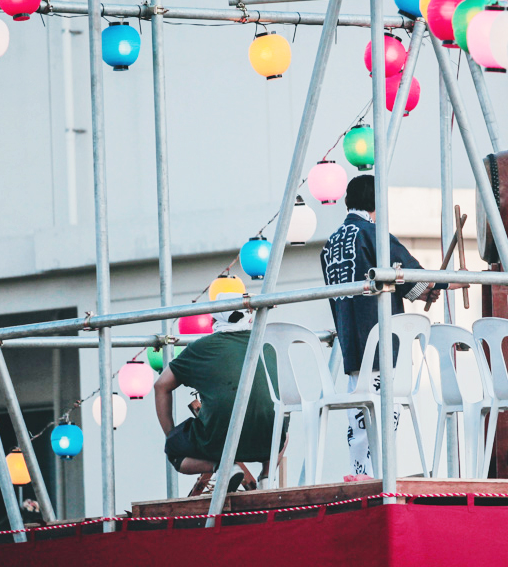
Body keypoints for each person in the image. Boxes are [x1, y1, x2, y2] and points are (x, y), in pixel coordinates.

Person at [320, 174, 466, 477]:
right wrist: (457, 278)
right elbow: (412, 275)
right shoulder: (372, 234)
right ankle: (377, 478)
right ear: (378, 203)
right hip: (382, 347)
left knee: (359, 422)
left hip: (352, 348)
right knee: (386, 419)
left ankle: (361, 474)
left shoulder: (330, 245)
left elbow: (390, 281)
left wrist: (422, 291)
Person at [154, 292, 284, 495]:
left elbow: (161, 386)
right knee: (280, 426)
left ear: (213, 318)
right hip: (269, 441)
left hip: (220, 440)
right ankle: (267, 477)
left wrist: (171, 435)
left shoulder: (200, 349)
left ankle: (223, 468)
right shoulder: (267, 343)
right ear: (248, 313)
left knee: (174, 451)